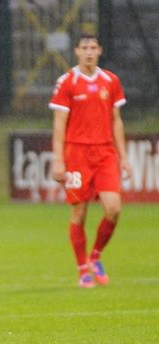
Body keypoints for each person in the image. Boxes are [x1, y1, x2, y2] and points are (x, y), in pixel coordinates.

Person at [49, 33, 131, 288]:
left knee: (114, 208)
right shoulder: (67, 82)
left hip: (105, 152)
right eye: (84, 47)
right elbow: (59, 124)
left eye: (93, 47)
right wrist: (58, 160)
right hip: (77, 153)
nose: (88, 52)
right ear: (76, 51)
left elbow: (116, 120)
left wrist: (124, 157)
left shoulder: (111, 81)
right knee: (79, 210)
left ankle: (95, 256)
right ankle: (82, 267)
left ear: (99, 50)